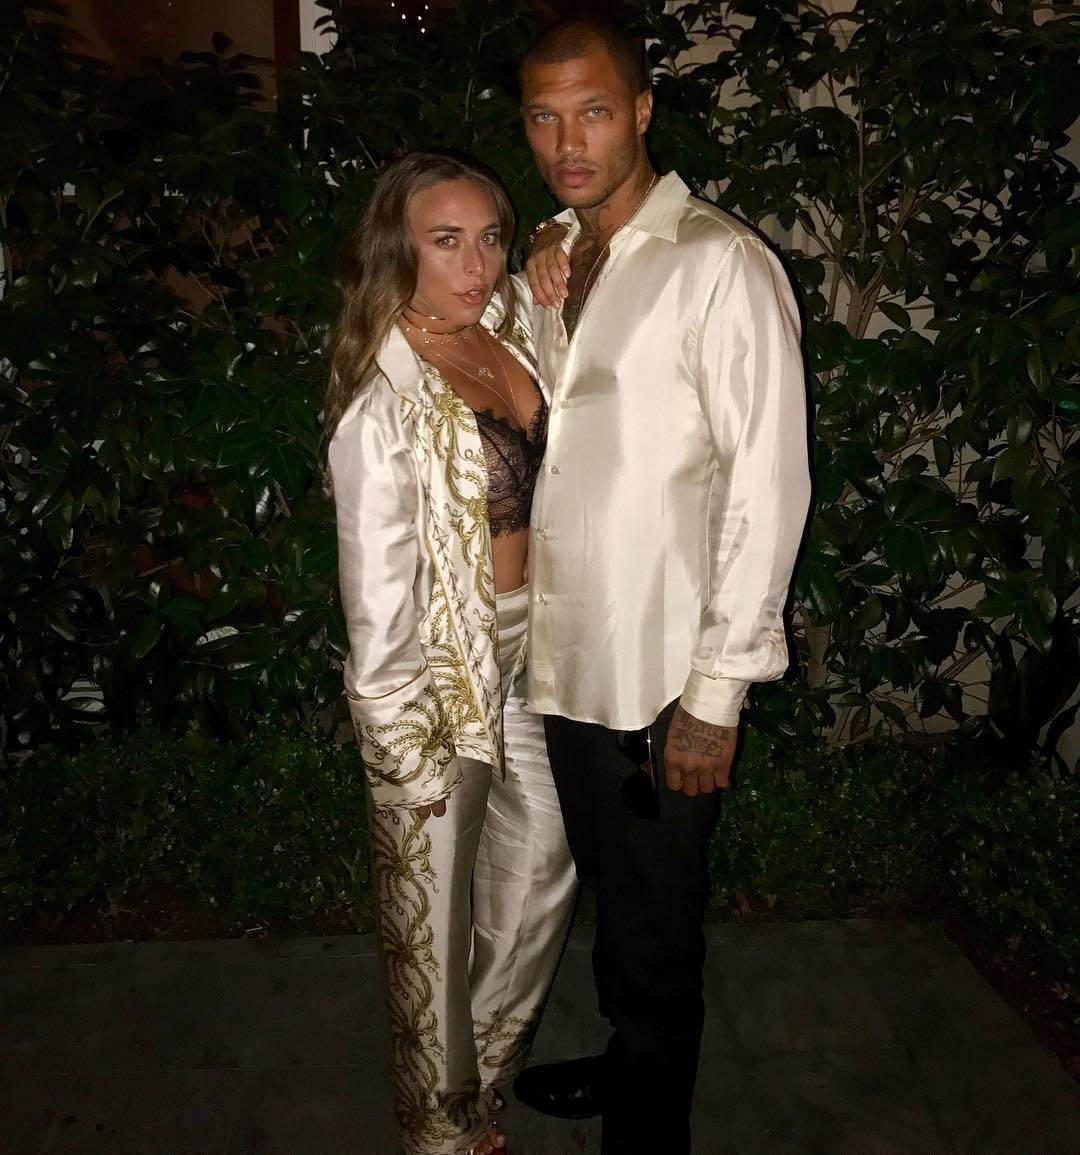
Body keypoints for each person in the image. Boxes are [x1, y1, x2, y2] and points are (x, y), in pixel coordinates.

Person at [508, 17, 812, 1155]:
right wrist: (546, 248)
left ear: (641, 110)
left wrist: (717, 696)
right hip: (569, 657)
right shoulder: (566, 257)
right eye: (544, 117)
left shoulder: (718, 264)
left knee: (655, 929)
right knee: (614, 900)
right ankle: (625, 1058)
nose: (567, 142)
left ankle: (650, 1130)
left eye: (593, 111)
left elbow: (767, 486)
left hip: (662, 676)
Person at [326, 151, 578, 1155]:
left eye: (489, 239)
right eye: (446, 242)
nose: (476, 265)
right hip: (436, 679)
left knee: (544, 870)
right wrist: (403, 755)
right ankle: (439, 1138)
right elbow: (374, 604)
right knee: (427, 931)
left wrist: (552, 241)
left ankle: (476, 1092)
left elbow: (577, 242)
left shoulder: (502, 323)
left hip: (538, 651)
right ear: (400, 252)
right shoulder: (380, 399)